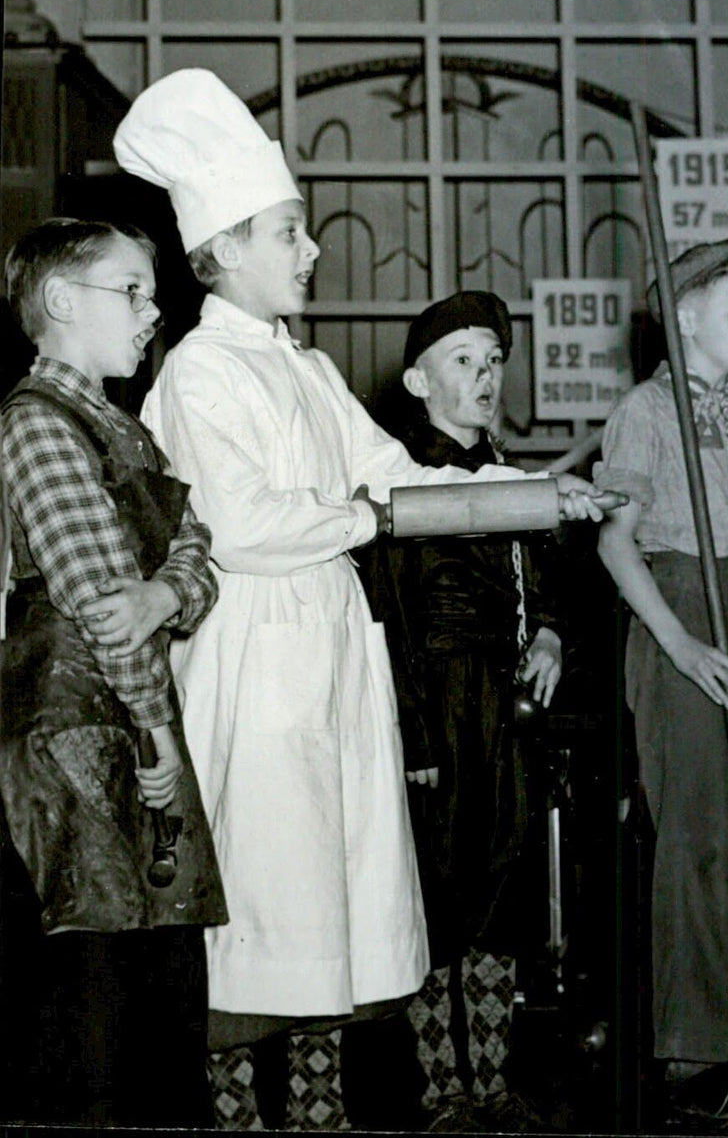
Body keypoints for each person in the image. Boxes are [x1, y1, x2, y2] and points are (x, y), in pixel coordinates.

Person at [112, 67, 607, 1130]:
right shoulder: (201, 373)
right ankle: (240, 1118)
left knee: (332, 895)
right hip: (256, 658)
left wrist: (537, 494)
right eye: (289, 231)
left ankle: (323, 1115)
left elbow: (404, 472)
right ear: (226, 248)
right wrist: (367, 517)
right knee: (264, 898)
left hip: (331, 651)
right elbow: (245, 527)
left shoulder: (307, 368)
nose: (313, 249)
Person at [0, 217, 228, 1127]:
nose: (152, 310)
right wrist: (158, 731)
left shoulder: (119, 428)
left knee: (153, 987)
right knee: (95, 1002)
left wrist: (165, 594)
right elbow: (102, 602)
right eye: (130, 290)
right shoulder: (37, 424)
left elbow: (199, 555)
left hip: (123, 729)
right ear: (61, 302)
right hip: (79, 744)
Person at [593, 237, 728, 1113]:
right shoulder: (647, 410)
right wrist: (680, 646)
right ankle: (692, 1048)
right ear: (684, 320)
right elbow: (614, 541)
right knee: (700, 836)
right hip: (680, 609)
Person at [356, 289, 567, 1098]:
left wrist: (548, 633)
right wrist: (410, 736)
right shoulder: (400, 482)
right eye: (463, 361)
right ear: (417, 382)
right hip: (436, 707)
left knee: (504, 890)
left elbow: (548, 586)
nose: (485, 377)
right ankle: (441, 1090)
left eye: (493, 361)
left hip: (508, 712)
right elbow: (389, 618)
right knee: (438, 893)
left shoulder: (513, 476)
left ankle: (493, 1084)